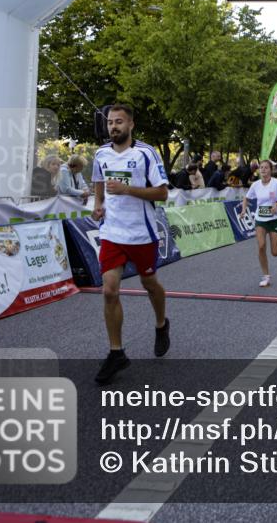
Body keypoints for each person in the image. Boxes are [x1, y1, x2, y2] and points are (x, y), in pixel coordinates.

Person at [90, 104, 170, 384]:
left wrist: (127, 189)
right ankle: (116, 352)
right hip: (112, 233)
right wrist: (98, 204)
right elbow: (98, 183)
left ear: (131, 124)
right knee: (109, 292)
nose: (113, 127)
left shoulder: (146, 153)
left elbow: (162, 194)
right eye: (110, 122)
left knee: (150, 284)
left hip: (142, 234)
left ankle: (161, 324)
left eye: (119, 122)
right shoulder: (101, 154)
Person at [243, 159, 277, 287]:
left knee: (275, 253)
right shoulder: (255, 185)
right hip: (260, 219)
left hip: (274, 219)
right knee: (261, 246)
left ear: (270, 170)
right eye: (261, 167)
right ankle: (266, 276)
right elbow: (246, 198)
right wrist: (243, 210)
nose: (263, 170)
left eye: (266, 167)